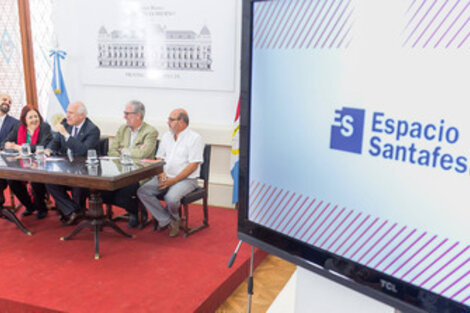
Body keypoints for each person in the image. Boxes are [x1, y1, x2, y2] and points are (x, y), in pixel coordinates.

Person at [137, 108, 203, 237]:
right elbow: (160, 158)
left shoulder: (195, 138)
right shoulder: (167, 136)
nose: (168, 122)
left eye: (171, 120)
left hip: (187, 180)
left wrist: (174, 180)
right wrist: (161, 175)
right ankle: (169, 220)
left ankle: (173, 218)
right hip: (165, 176)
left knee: (170, 198)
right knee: (143, 191)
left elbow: (193, 165)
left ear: (182, 122)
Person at [102, 100, 158, 228]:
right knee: (103, 191)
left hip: (140, 173)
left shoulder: (150, 131)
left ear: (138, 115)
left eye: (127, 113)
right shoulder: (123, 129)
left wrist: (124, 151)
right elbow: (112, 151)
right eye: (124, 113)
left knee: (124, 192)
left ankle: (135, 211)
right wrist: (132, 152)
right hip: (119, 171)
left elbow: (144, 154)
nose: (124, 116)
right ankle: (134, 209)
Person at [45, 101, 100, 225]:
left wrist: (66, 135)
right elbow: (54, 143)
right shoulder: (67, 124)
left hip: (85, 171)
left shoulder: (92, 130)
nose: (67, 116)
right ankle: (73, 211)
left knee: (77, 182)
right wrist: (48, 149)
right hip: (67, 168)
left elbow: (83, 151)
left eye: (71, 113)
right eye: (67, 112)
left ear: (82, 116)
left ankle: (73, 211)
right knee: (49, 180)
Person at [2, 105, 53, 219]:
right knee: (11, 179)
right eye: (30, 117)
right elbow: (5, 143)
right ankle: (29, 206)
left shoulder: (44, 127)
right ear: (24, 119)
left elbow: (41, 146)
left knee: (35, 179)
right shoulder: (18, 128)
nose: (34, 119)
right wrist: (8, 145)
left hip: (39, 163)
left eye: (36, 116)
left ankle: (41, 207)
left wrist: (19, 147)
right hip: (21, 163)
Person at [0, 93, 19, 210]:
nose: (7, 102)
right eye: (4, 99)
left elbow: (10, 142)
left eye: (10, 101)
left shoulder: (14, 123)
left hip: (6, 160)